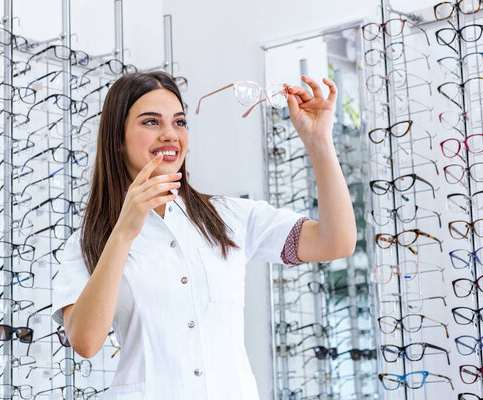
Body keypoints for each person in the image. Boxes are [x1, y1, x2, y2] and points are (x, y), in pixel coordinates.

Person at [52, 71, 356, 399]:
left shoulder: (228, 217)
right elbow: (84, 342)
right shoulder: (90, 239)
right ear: (117, 139)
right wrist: (123, 233)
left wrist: (319, 142)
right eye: (151, 122)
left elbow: (336, 241)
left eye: (179, 122)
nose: (170, 134)